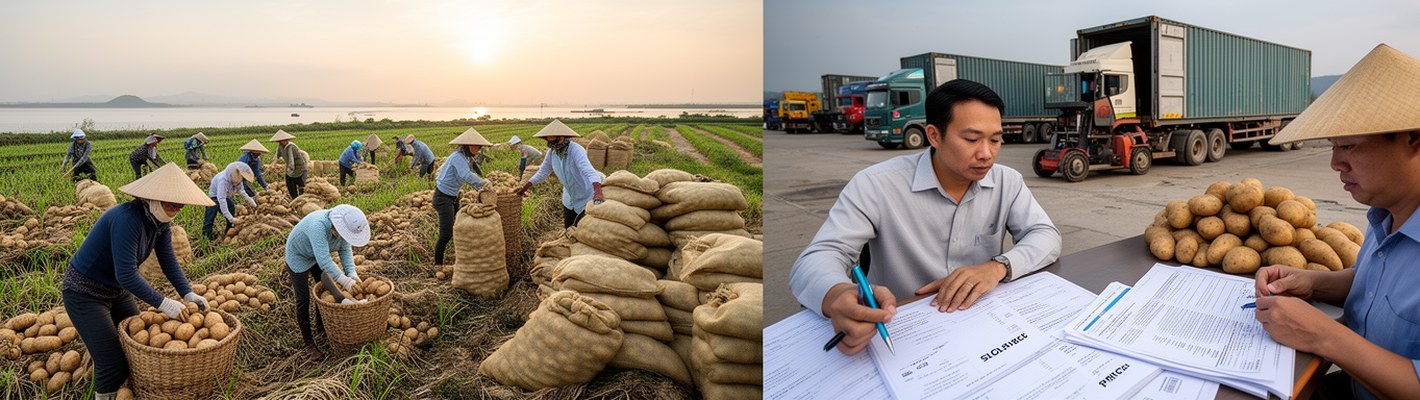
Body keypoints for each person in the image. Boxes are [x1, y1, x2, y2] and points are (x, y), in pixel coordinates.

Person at [788, 79, 1062, 356]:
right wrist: (836, 295)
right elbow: (818, 257)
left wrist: (997, 267)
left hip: (982, 323)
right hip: (901, 328)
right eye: (971, 139)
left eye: (995, 139)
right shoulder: (877, 185)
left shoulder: (1007, 182)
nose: (986, 154)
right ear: (933, 135)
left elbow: (1045, 235)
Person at [1253, 44, 1420, 400]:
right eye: (1333, 146)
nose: (1335, 163)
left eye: (1348, 146)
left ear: (1413, 139)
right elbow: (1376, 287)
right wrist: (1312, 283)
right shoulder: (1387, 214)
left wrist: (1320, 334)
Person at [61, 163, 214, 400]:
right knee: (112, 361)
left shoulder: (160, 223)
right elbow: (127, 274)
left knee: (135, 340)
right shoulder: (127, 219)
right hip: (85, 292)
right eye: (171, 204)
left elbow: (169, 261)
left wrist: (187, 293)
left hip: (117, 290)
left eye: (180, 205)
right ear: (152, 198)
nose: (176, 209)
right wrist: (165, 303)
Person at [285, 204, 370, 353]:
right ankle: (309, 343)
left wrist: (351, 274)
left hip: (316, 253)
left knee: (324, 288)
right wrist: (345, 281)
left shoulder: (343, 229)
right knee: (303, 298)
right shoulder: (318, 226)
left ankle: (320, 326)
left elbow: (345, 249)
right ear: (338, 226)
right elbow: (324, 260)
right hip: (298, 254)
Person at [514, 120, 605, 228]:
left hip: (585, 196)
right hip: (568, 199)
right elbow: (543, 172)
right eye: (547, 140)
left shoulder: (576, 150)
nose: (549, 143)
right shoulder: (552, 152)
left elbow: (588, 171)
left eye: (552, 140)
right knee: (569, 230)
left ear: (561, 137)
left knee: (584, 230)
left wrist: (598, 192)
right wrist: (524, 188)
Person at [431, 128, 490, 265]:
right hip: (442, 198)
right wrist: (482, 183)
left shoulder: (467, 157)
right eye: (474, 146)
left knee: (457, 227)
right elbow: (465, 175)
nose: (476, 149)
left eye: (478, 146)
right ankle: (437, 264)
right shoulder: (458, 157)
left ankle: (459, 254)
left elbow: (472, 171)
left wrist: (480, 185)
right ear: (466, 145)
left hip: (453, 196)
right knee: (446, 234)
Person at [202, 162, 258, 241]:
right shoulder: (223, 180)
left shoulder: (238, 180)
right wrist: (231, 218)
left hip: (226, 196)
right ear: (236, 174)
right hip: (214, 197)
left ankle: (229, 228)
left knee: (231, 206)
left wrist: (253, 203)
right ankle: (206, 237)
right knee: (210, 215)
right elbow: (222, 200)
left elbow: (242, 192)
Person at [270, 130, 308, 199]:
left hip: (299, 167)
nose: (281, 142)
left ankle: (302, 198)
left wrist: (290, 170)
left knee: (299, 183)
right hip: (291, 168)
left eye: (283, 140)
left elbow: (291, 160)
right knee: (290, 184)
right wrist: (272, 164)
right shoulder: (280, 147)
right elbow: (276, 156)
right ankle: (295, 198)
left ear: (286, 140)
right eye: (280, 141)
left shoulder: (291, 147)